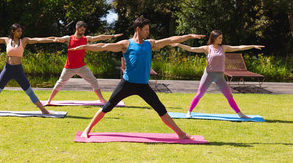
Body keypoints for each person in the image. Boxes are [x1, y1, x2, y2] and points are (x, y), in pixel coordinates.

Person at [69, 17, 205, 139]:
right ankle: (87, 130)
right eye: (146, 29)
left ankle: (181, 134)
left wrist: (188, 36)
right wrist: (85, 46)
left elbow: (169, 40)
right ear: (138, 29)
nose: (148, 32)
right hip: (127, 83)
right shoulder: (126, 44)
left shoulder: (150, 44)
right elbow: (104, 46)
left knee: (161, 109)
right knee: (108, 106)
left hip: (143, 86)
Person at [171, 30, 264, 118]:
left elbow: (239, 47)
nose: (221, 39)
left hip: (219, 76)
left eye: (221, 37)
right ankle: (189, 111)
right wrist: (179, 44)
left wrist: (252, 46)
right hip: (208, 75)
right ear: (214, 38)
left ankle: (240, 114)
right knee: (199, 94)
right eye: (219, 38)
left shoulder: (223, 48)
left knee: (229, 96)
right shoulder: (207, 48)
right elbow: (191, 48)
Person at [0, 23, 57, 114]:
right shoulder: (7, 40)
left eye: (21, 31)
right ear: (12, 31)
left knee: (29, 91)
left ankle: (44, 110)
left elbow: (38, 40)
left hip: (18, 70)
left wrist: (53, 39)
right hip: (7, 69)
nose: (20, 33)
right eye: (18, 31)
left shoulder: (24, 41)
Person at [46, 21, 123, 104]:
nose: (83, 32)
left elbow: (99, 37)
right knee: (59, 83)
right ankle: (49, 101)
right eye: (81, 30)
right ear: (77, 28)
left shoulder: (86, 39)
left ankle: (101, 99)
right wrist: (56, 39)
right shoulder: (69, 38)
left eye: (84, 30)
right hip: (69, 67)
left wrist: (113, 36)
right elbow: (59, 39)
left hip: (81, 67)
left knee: (94, 81)